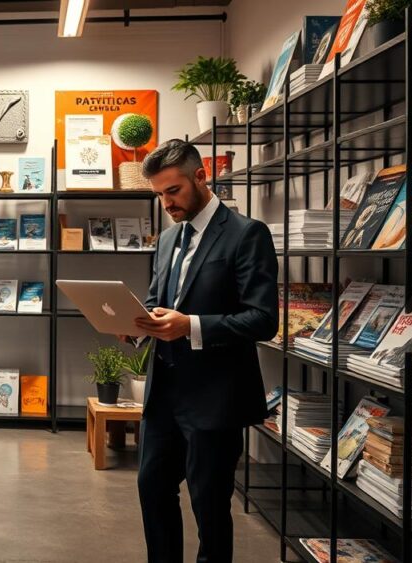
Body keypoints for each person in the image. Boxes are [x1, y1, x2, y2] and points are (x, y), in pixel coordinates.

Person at [129, 139, 278, 563]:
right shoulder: (168, 239)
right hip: (164, 393)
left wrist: (189, 326)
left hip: (216, 396)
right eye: (158, 195)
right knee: (152, 487)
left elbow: (263, 319)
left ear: (200, 176)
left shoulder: (247, 234)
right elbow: (159, 299)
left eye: (172, 191)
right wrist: (137, 325)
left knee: (209, 505)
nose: (166, 203)